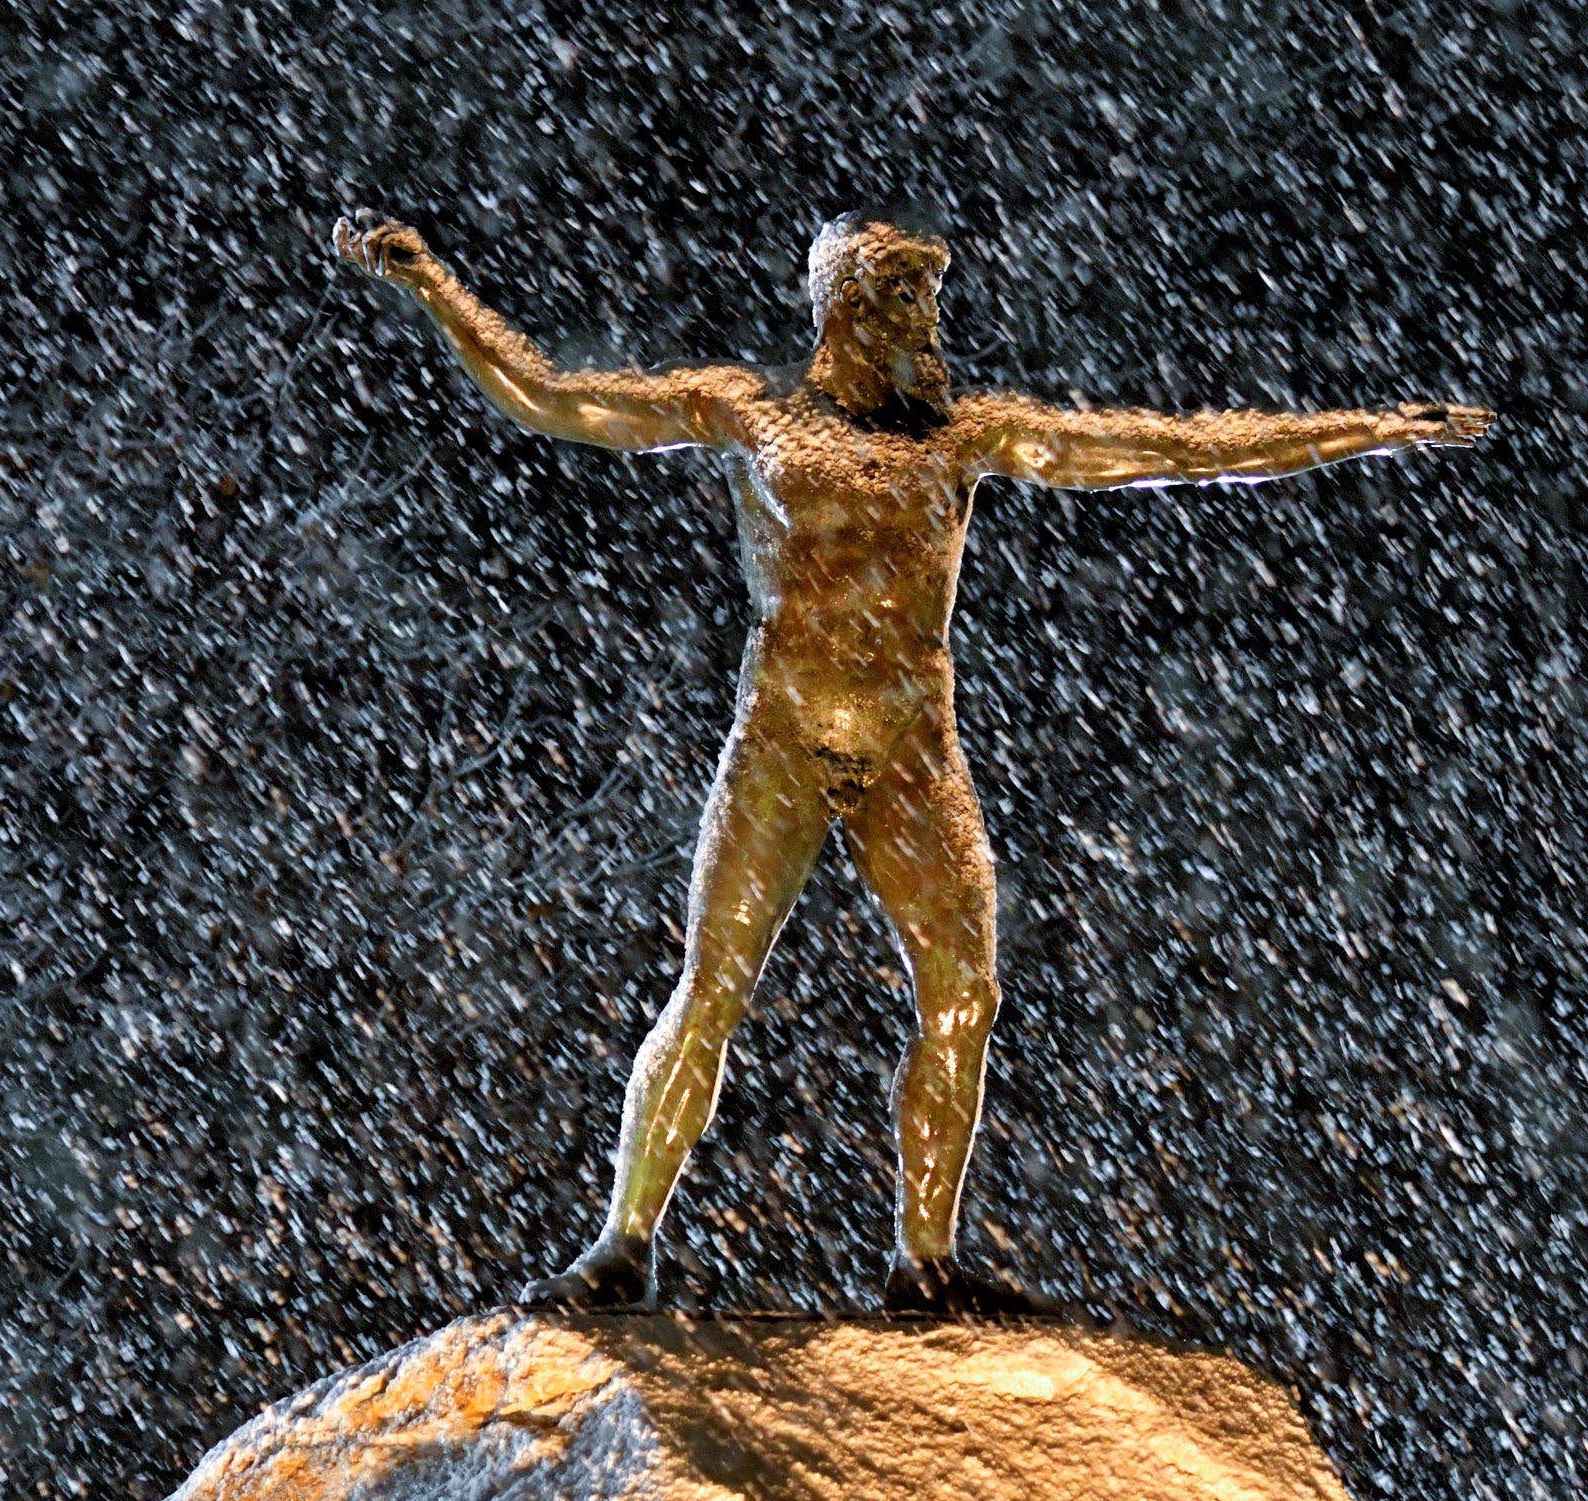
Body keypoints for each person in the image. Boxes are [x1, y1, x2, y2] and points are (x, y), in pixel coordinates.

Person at [334, 210, 1490, 1312]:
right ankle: (622, 1242)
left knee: (964, 994)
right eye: (904, 295)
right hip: (784, 733)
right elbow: (552, 397)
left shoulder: (962, 436)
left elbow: (1173, 450)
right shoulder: (749, 414)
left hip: (908, 745)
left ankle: (922, 1261)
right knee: (714, 984)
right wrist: (436, 287)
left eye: (930, 297)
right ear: (843, 305)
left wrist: (1371, 428)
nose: (927, 322)